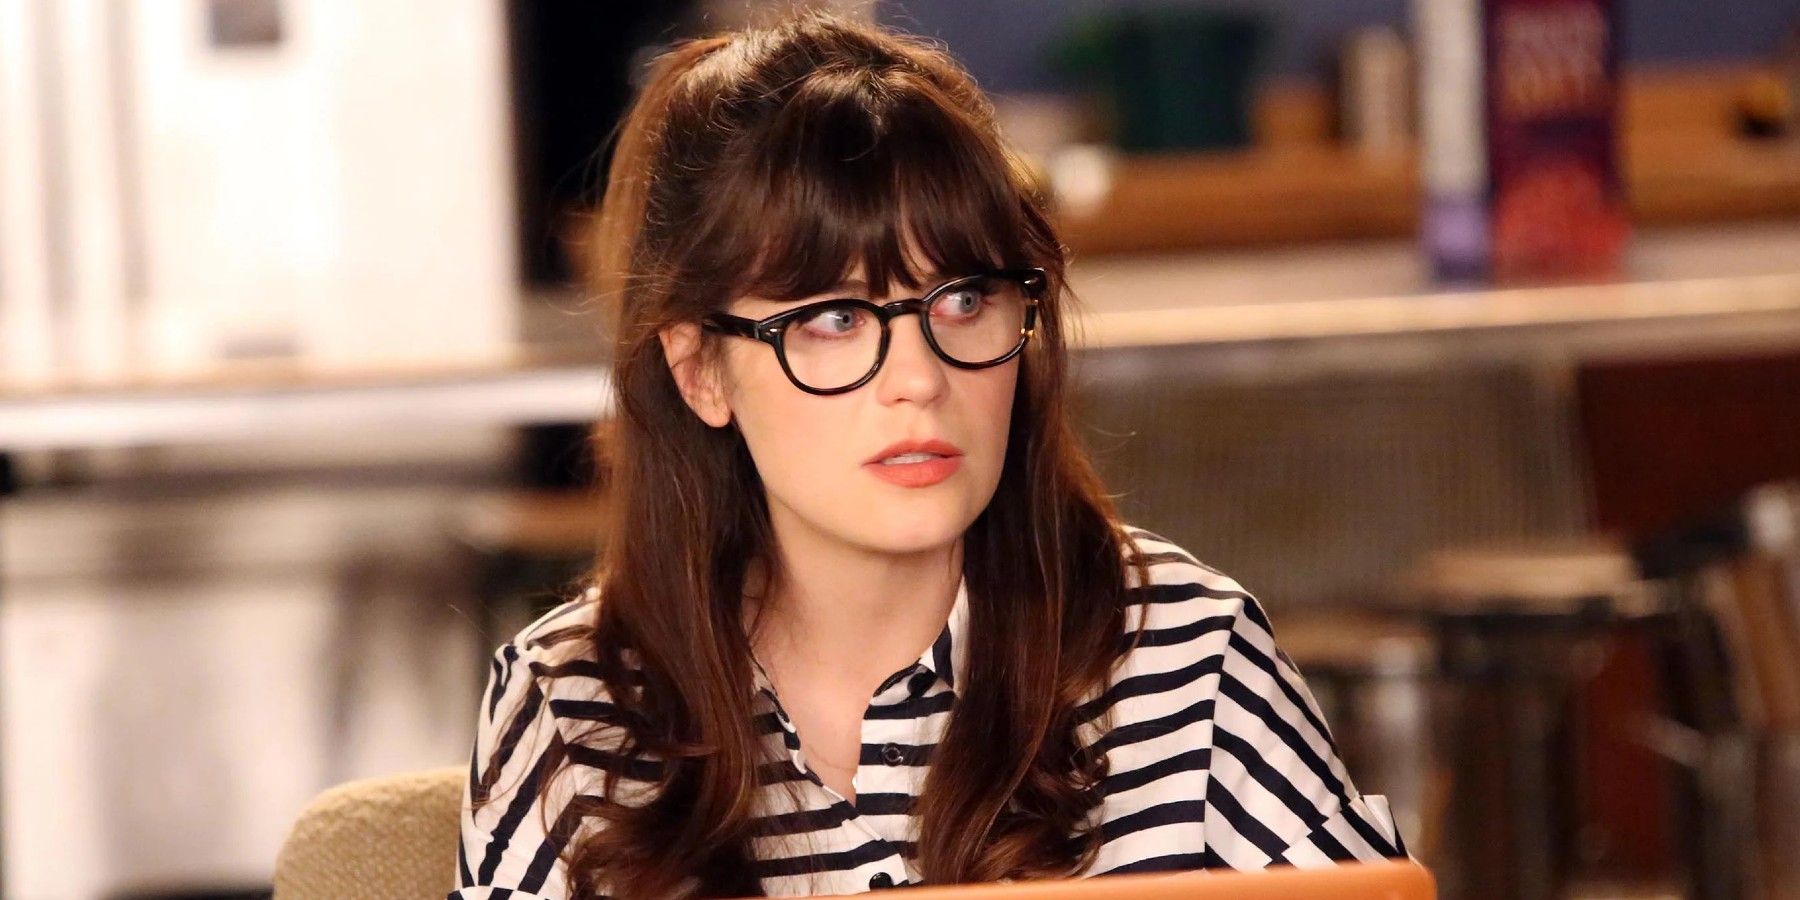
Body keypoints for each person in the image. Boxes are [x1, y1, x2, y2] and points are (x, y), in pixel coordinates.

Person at [453, 11, 1409, 899]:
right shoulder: (575, 703)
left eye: (963, 301)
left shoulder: (1186, 652)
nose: (919, 378)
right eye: (834, 318)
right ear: (700, 371)